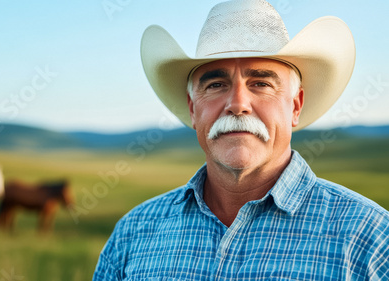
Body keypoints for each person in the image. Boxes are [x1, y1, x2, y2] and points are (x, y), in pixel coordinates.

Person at [93, 0, 389, 279]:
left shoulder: (371, 239)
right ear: (193, 108)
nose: (238, 103)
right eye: (216, 84)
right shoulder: (133, 234)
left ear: (295, 106)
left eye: (261, 83)